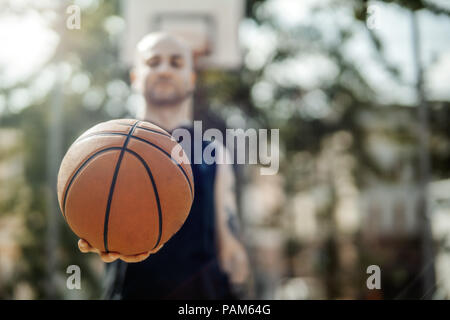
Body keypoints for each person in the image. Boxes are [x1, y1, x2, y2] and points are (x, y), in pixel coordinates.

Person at [77, 32, 250, 299]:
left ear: (191, 80)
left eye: (176, 63)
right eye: (153, 62)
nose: (164, 69)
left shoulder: (213, 152)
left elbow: (230, 246)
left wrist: (239, 293)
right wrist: (95, 235)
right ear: (135, 77)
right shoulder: (107, 148)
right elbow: (91, 248)